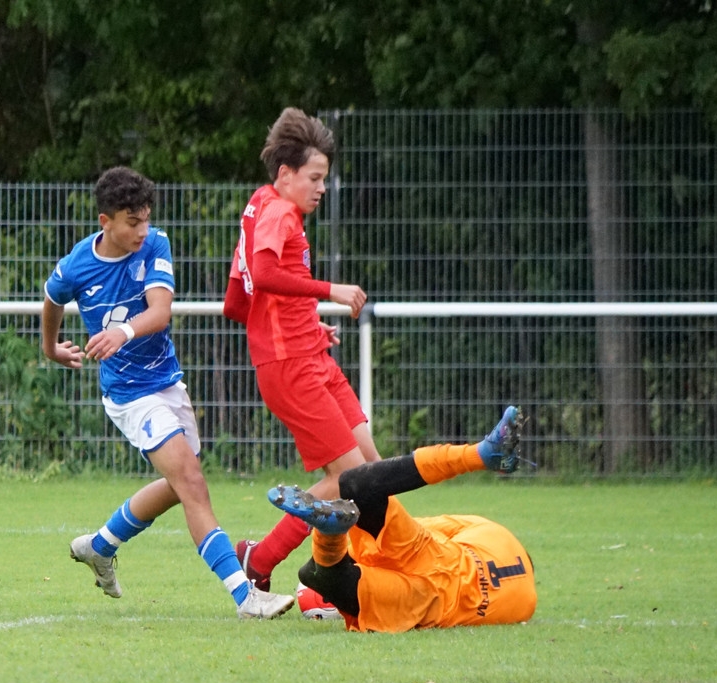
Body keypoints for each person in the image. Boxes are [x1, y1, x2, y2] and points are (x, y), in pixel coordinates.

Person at [41, 166, 294, 620]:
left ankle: (99, 547)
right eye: (131, 222)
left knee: (180, 486)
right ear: (106, 221)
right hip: (129, 395)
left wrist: (121, 331)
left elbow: (160, 312)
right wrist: (50, 347)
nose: (142, 230)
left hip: (167, 382)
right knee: (193, 483)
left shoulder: (156, 243)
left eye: (145, 219)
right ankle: (245, 597)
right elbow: (52, 297)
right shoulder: (79, 263)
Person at [223, 107, 380, 591]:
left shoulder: (259, 207)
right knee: (351, 481)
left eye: (325, 178)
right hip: (293, 367)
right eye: (314, 177)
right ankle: (269, 560)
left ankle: (283, 560)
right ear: (286, 174)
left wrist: (303, 327)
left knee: (370, 471)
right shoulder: (278, 211)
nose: (321, 187)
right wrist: (328, 293)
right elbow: (266, 276)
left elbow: (236, 301)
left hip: (308, 354)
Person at [268, 406, 537, 633]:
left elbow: (430, 525)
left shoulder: (520, 587)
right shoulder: (520, 589)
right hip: (433, 589)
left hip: (429, 579)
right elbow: (428, 524)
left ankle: (330, 537)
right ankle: (480, 454)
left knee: (317, 574)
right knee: (354, 483)